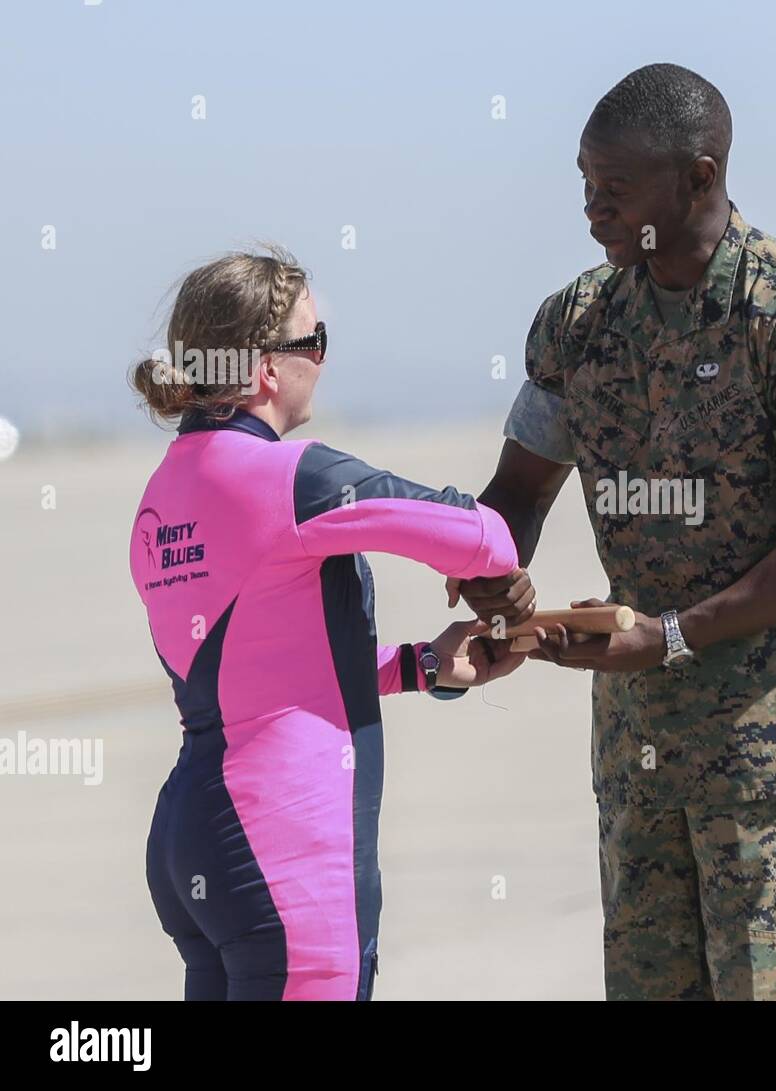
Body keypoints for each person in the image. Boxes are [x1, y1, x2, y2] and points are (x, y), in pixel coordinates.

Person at [451, 64, 776, 1000]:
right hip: (640, 747)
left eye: (615, 187)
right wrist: (491, 568)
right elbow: (520, 489)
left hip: (768, 745)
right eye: (584, 182)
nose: (592, 208)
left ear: (700, 177)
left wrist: (676, 635)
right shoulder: (579, 321)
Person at [128, 247, 525, 1000]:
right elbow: (484, 535)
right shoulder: (295, 479)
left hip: (192, 834)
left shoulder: (162, 493)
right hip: (283, 842)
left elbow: (257, 672)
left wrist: (421, 666)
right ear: (266, 369)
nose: (323, 359)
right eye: (315, 342)